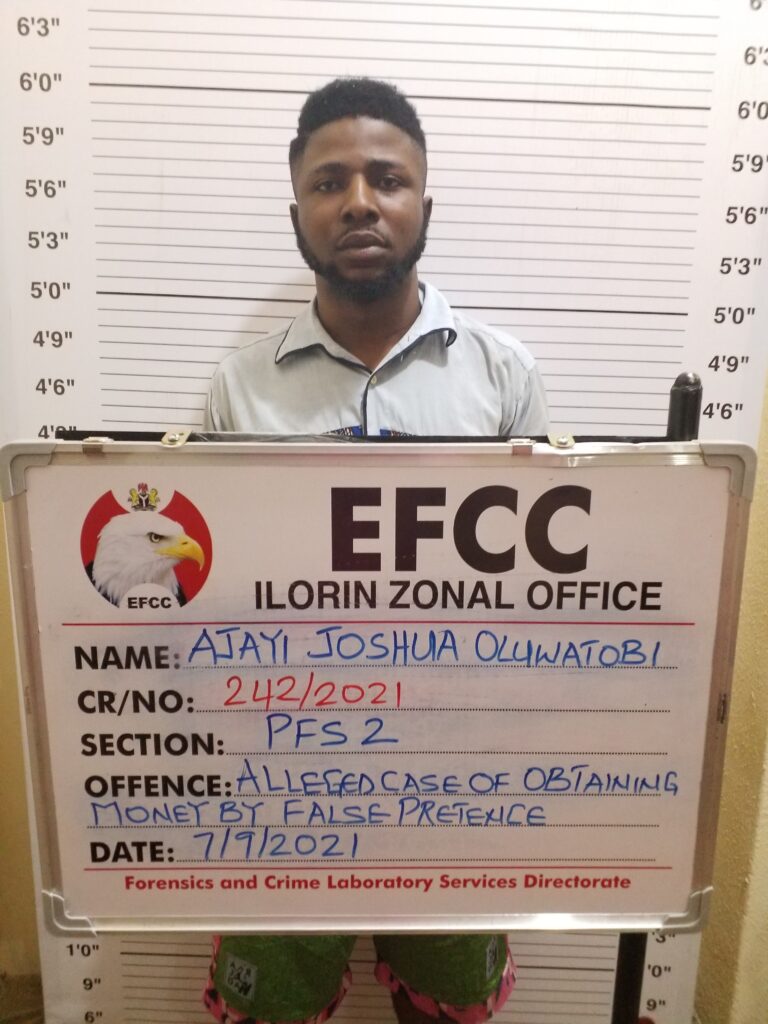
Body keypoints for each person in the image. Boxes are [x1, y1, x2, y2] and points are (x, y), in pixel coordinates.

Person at [202, 78, 549, 1024]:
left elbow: (548, 599)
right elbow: (217, 599)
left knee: (444, 1008)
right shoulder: (240, 388)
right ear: (297, 215)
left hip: (457, 771)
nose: (359, 201)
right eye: (330, 182)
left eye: (387, 179)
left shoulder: (504, 375)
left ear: (425, 205)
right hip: (281, 773)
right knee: (272, 1010)